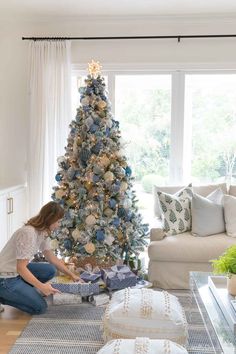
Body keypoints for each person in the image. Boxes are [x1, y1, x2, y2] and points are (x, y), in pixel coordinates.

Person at [0, 201, 81, 315]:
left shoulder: (43, 231)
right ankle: (3, 295)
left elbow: (51, 257)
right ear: (50, 219)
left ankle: (22, 292)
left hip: (17, 271)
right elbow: (21, 268)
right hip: (5, 278)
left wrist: (71, 274)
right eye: (58, 221)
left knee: (50, 270)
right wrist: (42, 287)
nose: (58, 225)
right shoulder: (28, 233)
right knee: (40, 307)